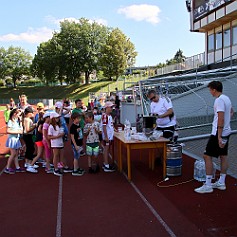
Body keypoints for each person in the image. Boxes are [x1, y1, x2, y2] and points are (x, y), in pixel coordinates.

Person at [195, 81, 234, 194]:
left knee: (207, 156)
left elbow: (221, 118)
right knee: (223, 155)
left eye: (210, 89)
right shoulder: (226, 98)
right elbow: (231, 112)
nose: (210, 92)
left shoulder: (219, 100)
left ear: (214, 89)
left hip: (218, 132)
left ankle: (208, 184)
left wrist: (219, 136)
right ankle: (221, 182)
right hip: (226, 131)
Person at [4, 108, 25, 174]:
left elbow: (21, 129)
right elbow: (8, 131)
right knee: (13, 154)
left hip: (16, 139)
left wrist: (21, 122)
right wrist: (17, 132)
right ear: (14, 114)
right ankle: (7, 168)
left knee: (16, 154)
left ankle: (17, 167)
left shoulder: (16, 121)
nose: (19, 116)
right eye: (19, 114)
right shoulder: (10, 121)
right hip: (12, 139)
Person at [48, 112, 65, 176]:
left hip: (60, 142)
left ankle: (60, 167)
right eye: (56, 118)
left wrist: (62, 134)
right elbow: (49, 136)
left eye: (58, 118)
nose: (58, 119)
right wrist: (58, 136)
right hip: (55, 143)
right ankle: (55, 168)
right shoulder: (51, 126)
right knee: (56, 155)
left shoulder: (58, 125)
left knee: (61, 155)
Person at [101, 101, 116, 172]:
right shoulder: (105, 116)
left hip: (110, 135)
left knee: (107, 149)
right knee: (106, 149)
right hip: (107, 136)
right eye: (111, 107)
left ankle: (106, 163)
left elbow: (110, 125)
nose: (112, 109)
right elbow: (104, 127)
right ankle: (106, 164)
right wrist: (106, 136)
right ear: (106, 108)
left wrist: (114, 129)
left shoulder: (109, 116)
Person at [23, 106, 39, 173]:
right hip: (28, 135)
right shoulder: (27, 119)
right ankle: (29, 164)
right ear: (28, 113)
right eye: (32, 112)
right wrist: (35, 125)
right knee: (30, 149)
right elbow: (27, 130)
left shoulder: (28, 119)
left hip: (30, 135)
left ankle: (27, 163)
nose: (33, 114)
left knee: (30, 148)